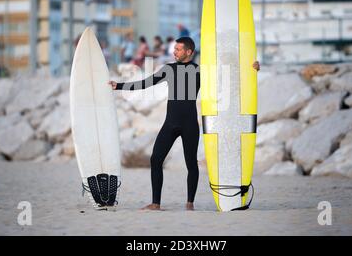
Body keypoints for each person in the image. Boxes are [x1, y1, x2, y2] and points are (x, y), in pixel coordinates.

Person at [109, 37, 261, 211]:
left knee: (191, 164)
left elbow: (227, 82)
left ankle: (190, 203)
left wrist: (252, 70)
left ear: (189, 52)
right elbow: (145, 83)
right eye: (174, 49)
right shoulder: (169, 69)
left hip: (189, 124)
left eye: (178, 49)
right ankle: (155, 203)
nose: (174, 52)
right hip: (170, 124)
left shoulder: (200, 71)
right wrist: (118, 85)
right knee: (156, 159)